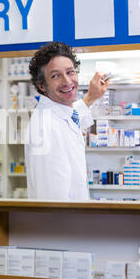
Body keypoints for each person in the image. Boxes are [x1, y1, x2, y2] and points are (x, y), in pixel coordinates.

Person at [25, 42, 109, 200]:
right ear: (42, 86)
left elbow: (72, 117)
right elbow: (53, 198)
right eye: (55, 76)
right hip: (61, 222)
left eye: (70, 72)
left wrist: (91, 97)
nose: (67, 81)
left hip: (75, 219)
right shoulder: (45, 127)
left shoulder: (60, 114)